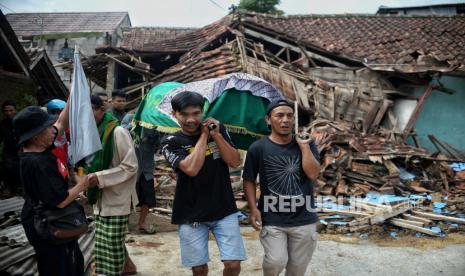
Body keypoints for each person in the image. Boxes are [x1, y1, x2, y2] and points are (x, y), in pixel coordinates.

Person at [160, 91, 246, 276]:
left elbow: (234, 161)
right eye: (184, 114)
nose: (191, 119)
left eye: (196, 113)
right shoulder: (170, 142)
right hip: (190, 213)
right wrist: (203, 137)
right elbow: (191, 169)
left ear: (202, 111)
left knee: (233, 264)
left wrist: (216, 135)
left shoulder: (218, 130)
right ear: (174, 114)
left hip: (224, 209)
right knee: (199, 269)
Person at [242, 100, 320, 276]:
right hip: (272, 216)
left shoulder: (307, 143)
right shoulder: (258, 148)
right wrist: (253, 208)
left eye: (290, 116)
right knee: (275, 261)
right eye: (280, 115)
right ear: (268, 120)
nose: (285, 120)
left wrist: (304, 147)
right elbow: (249, 179)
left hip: (304, 217)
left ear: (294, 120)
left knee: (297, 270)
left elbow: (313, 174)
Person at [13, 106, 89, 276]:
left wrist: (72, 98)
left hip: (50, 218)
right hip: (48, 224)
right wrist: (81, 185)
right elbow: (60, 201)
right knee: (58, 267)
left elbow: (61, 122)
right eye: (48, 127)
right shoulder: (38, 164)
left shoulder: (38, 146)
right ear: (36, 136)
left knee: (72, 261)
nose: (53, 131)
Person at [86, 95, 139, 275]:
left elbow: (131, 166)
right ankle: (129, 268)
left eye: (89, 110)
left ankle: (114, 272)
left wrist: (99, 177)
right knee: (106, 241)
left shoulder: (117, 132)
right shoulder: (94, 132)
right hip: (100, 197)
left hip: (117, 196)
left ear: (101, 110)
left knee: (112, 243)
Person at [0, 100, 21, 195]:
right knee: (8, 169)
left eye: (11, 110)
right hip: (9, 152)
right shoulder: (2, 124)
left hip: (22, 151)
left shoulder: (22, 122)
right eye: (6, 111)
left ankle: (20, 189)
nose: (8, 113)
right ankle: (9, 188)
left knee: (21, 170)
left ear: (15, 110)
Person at [47, 99, 69, 169]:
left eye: (62, 111)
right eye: (58, 111)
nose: (61, 114)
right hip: (53, 161)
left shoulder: (66, 125)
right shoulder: (46, 127)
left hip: (64, 161)